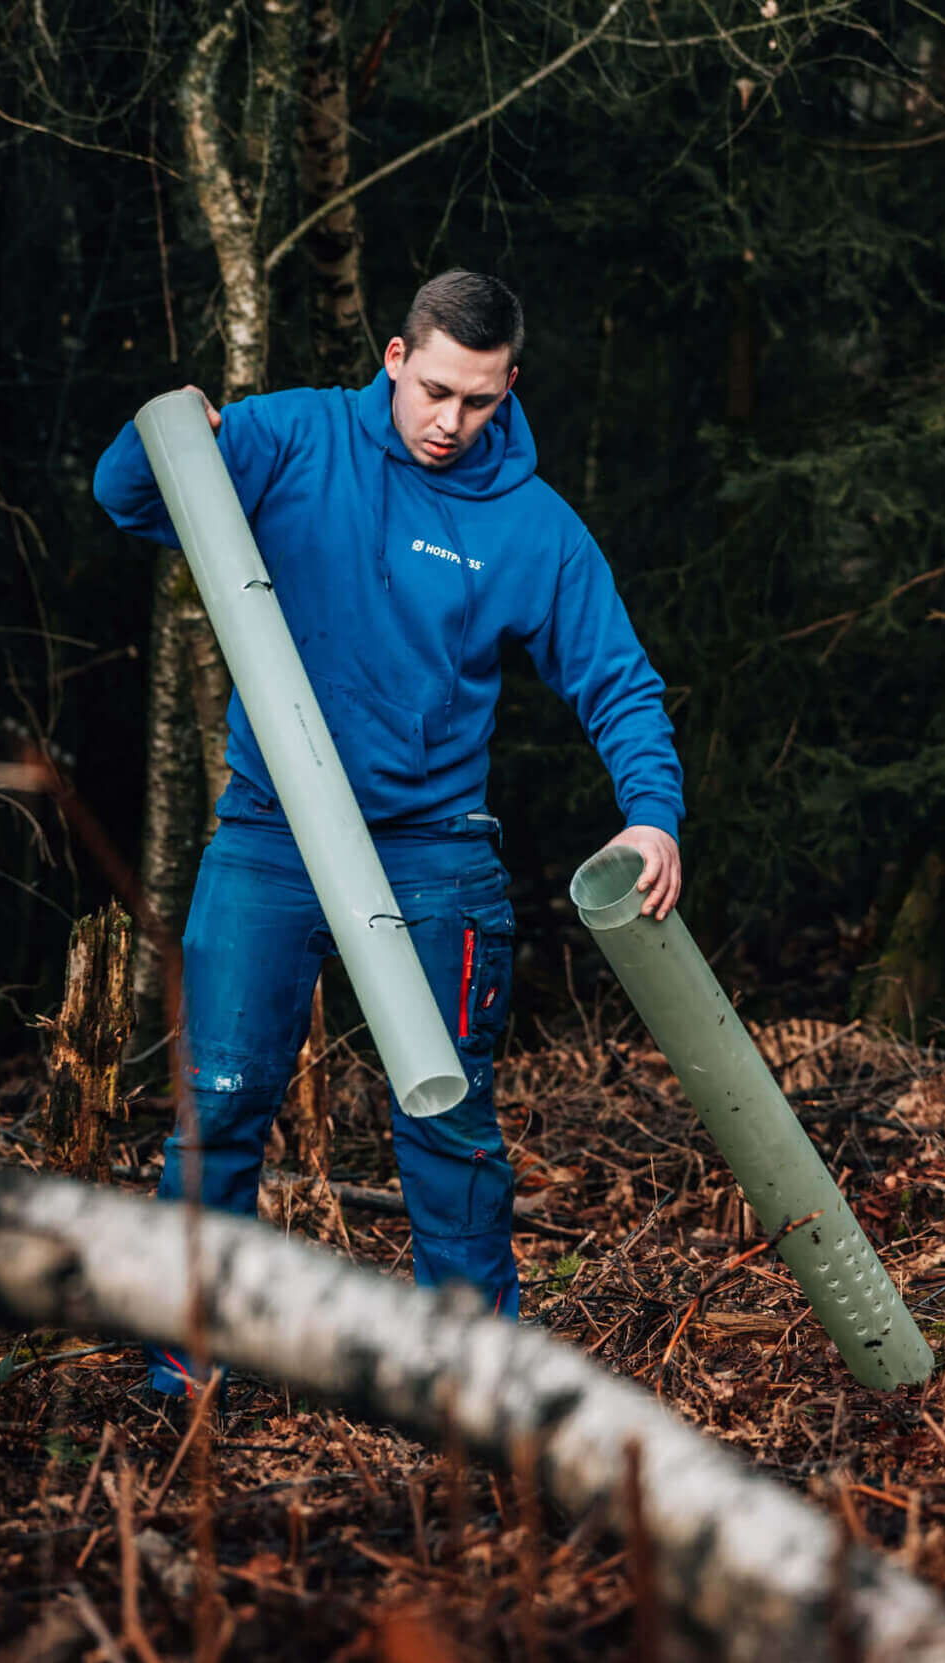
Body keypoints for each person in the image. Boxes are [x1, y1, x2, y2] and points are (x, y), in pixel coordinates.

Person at [93, 269, 683, 1397]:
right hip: (269, 835)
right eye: (437, 391)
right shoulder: (291, 437)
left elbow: (618, 682)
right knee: (219, 1100)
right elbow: (130, 498)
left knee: (451, 1122)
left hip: (432, 849)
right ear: (396, 358)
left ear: (511, 388)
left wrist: (652, 816)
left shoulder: (533, 526)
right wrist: (161, 429)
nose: (451, 424)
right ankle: (189, 1359)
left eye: (481, 401)